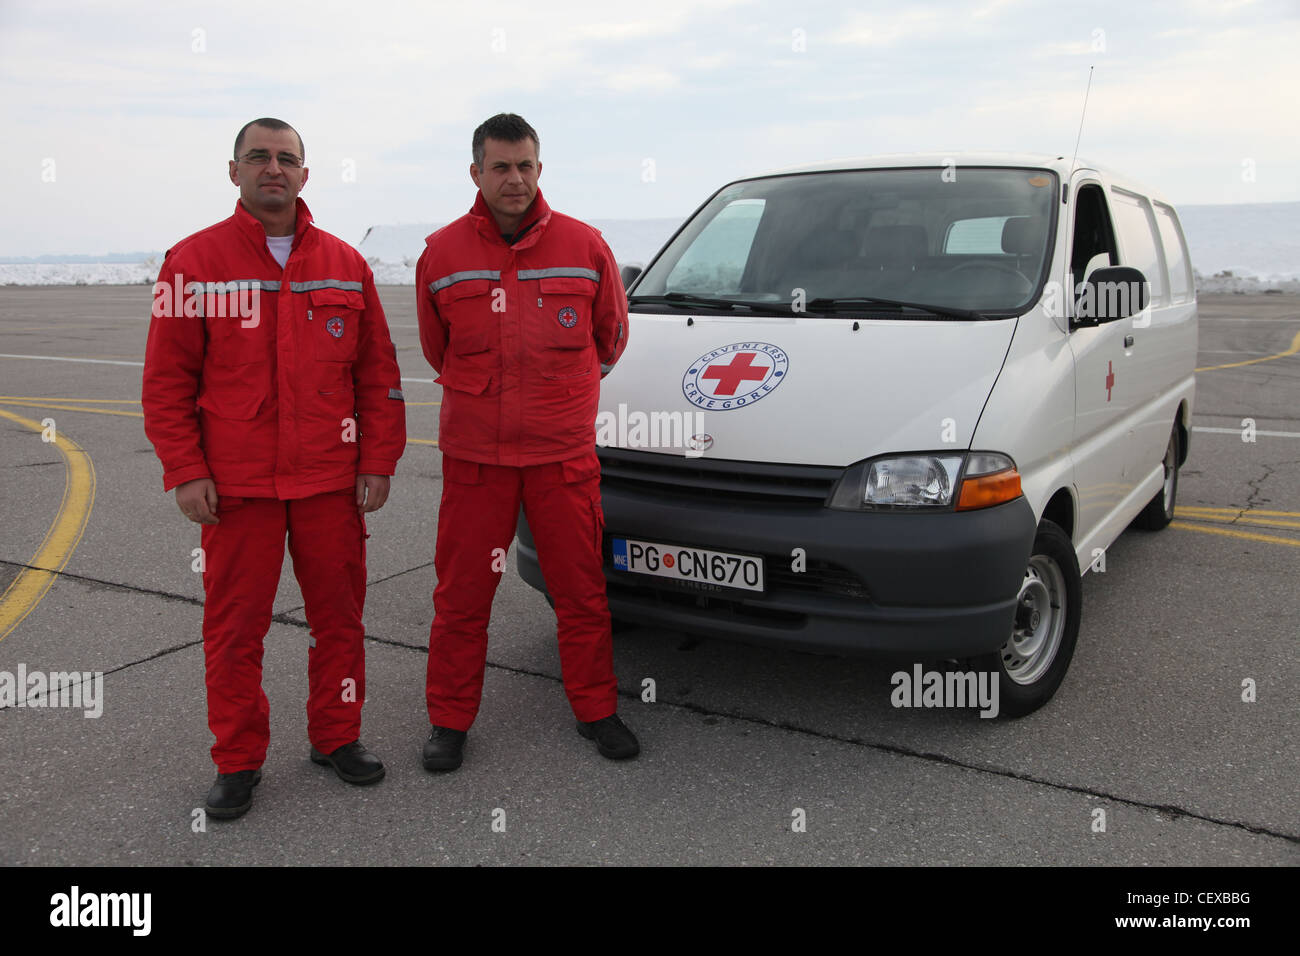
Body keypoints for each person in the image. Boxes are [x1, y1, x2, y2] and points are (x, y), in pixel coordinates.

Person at [142, 117, 406, 819]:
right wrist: (185, 469)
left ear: (305, 174)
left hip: (328, 484)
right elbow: (166, 381)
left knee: (341, 622)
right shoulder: (192, 263)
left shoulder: (347, 265)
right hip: (237, 491)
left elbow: (378, 375)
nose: (273, 168)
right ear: (233, 171)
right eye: (258, 157)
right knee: (234, 632)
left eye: (286, 158)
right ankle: (237, 761)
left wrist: (377, 458)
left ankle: (337, 736)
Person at [416, 113, 635, 769]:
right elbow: (437, 349)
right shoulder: (442, 253)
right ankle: (449, 722)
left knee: (582, 596)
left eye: (526, 166)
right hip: (476, 463)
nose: (515, 179)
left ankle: (597, 711)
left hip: (560, 460)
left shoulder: (585, 246)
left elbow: (610, 340)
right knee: (460, 600)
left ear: (539, 169)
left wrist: (557, 401)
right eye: (501, 166)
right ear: (477, 172)